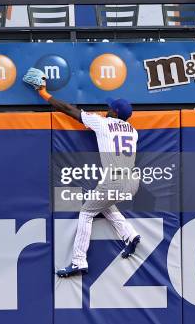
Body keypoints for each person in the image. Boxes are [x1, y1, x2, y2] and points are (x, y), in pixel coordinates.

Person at [23, 69, 141, 277]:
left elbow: (69, 109)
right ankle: (129, 235)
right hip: (132, 182)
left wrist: (44, 94)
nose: (107, 110)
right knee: (105, 205)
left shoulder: (103, 123)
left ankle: (78, 261)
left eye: (110, 108)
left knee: (86, 213)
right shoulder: (133, 131)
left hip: (114, 181)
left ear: (114, 112)